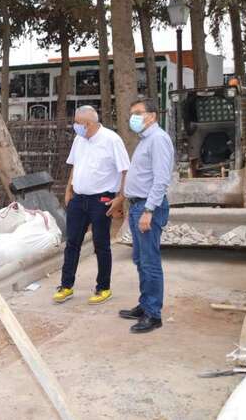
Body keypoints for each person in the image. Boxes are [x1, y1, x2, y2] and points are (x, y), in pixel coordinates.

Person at [53, 105, 130, 305]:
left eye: (77, 123)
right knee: (72, 243)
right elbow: (75, 165)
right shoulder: (79, 140)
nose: (75, 126)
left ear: (88, 123)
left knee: (101, 244)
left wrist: (120, 197)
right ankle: (66, 285)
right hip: (79, 198)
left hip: (101, 199)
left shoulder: (111, 140)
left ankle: (103, 287)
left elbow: (125, 170)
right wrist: (69, 190)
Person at [119, 98, 174, 333]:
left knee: (150, 263)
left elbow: (161, 179)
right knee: (140, 260)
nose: (133, 117)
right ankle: (145, 304)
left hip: (147, 207)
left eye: (138, 113)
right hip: (137, 207)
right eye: (132, 113)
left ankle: (153, 314)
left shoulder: (158, 140)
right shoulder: (145, 140)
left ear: (151, 115)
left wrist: (149, 210)